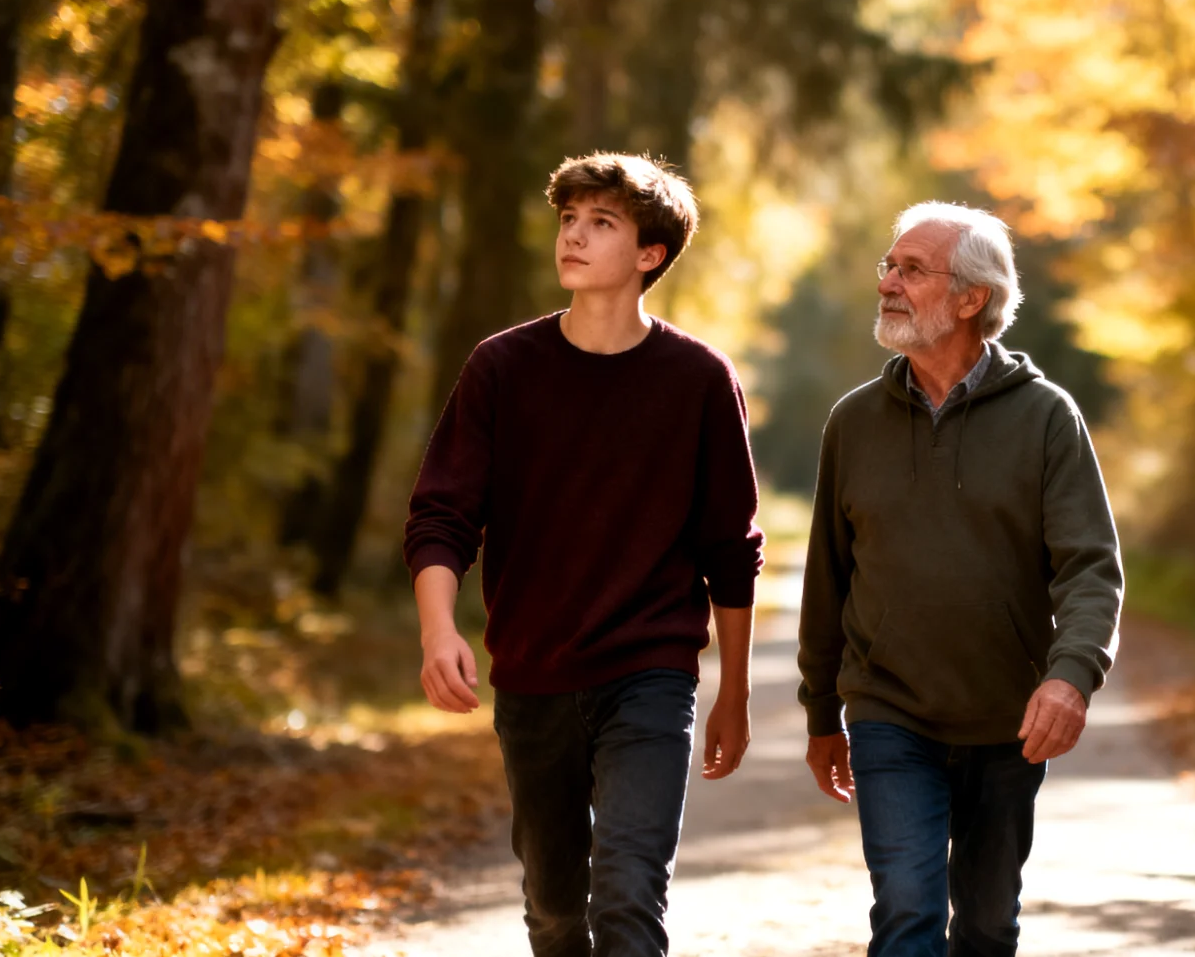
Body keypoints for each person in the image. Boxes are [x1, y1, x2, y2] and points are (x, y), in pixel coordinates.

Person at [404, 152, 763, 957]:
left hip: (650, 673)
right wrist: (437, 630)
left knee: (629, 894)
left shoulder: (700, 379)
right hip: (532, 673)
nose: (573, 235)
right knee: (556, 909)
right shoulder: (501, 367)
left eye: (602, 222)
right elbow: (441, 514)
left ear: (649, 254)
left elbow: (731, 548)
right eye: (569, 219)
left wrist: (733, 694)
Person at [796, 201, 1123, 957]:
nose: (888, 282)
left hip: (1009, 719)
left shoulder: (1046, 417)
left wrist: (1071, 676)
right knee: (906, 911)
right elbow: (827, 576)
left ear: (972, 297)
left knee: (985, 925)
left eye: (912, 270)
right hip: (888, 710)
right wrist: (820, 713)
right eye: (889, 265)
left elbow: (1089, 565)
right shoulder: (854, 422)